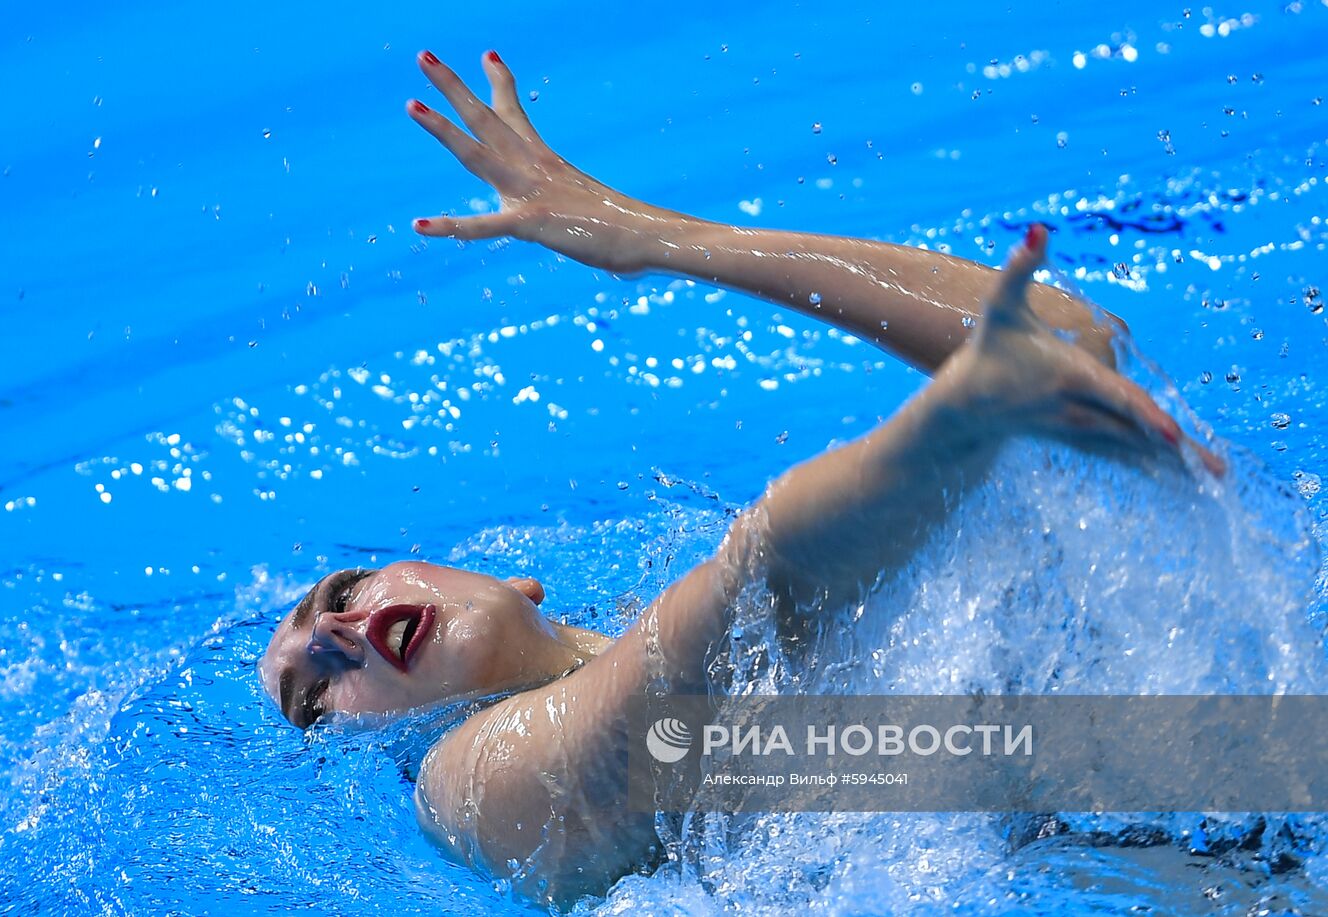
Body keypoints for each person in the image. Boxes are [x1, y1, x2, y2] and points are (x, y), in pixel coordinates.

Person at [259, 50, 1224, 905]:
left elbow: (1079, 350)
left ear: (517, 581)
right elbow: (758, 590)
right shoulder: (469, 786)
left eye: (337, 594)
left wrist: (657, 237)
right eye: (314, 699)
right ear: (350, 754)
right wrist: (957, 420)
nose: (340, 633)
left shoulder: (636, 624)